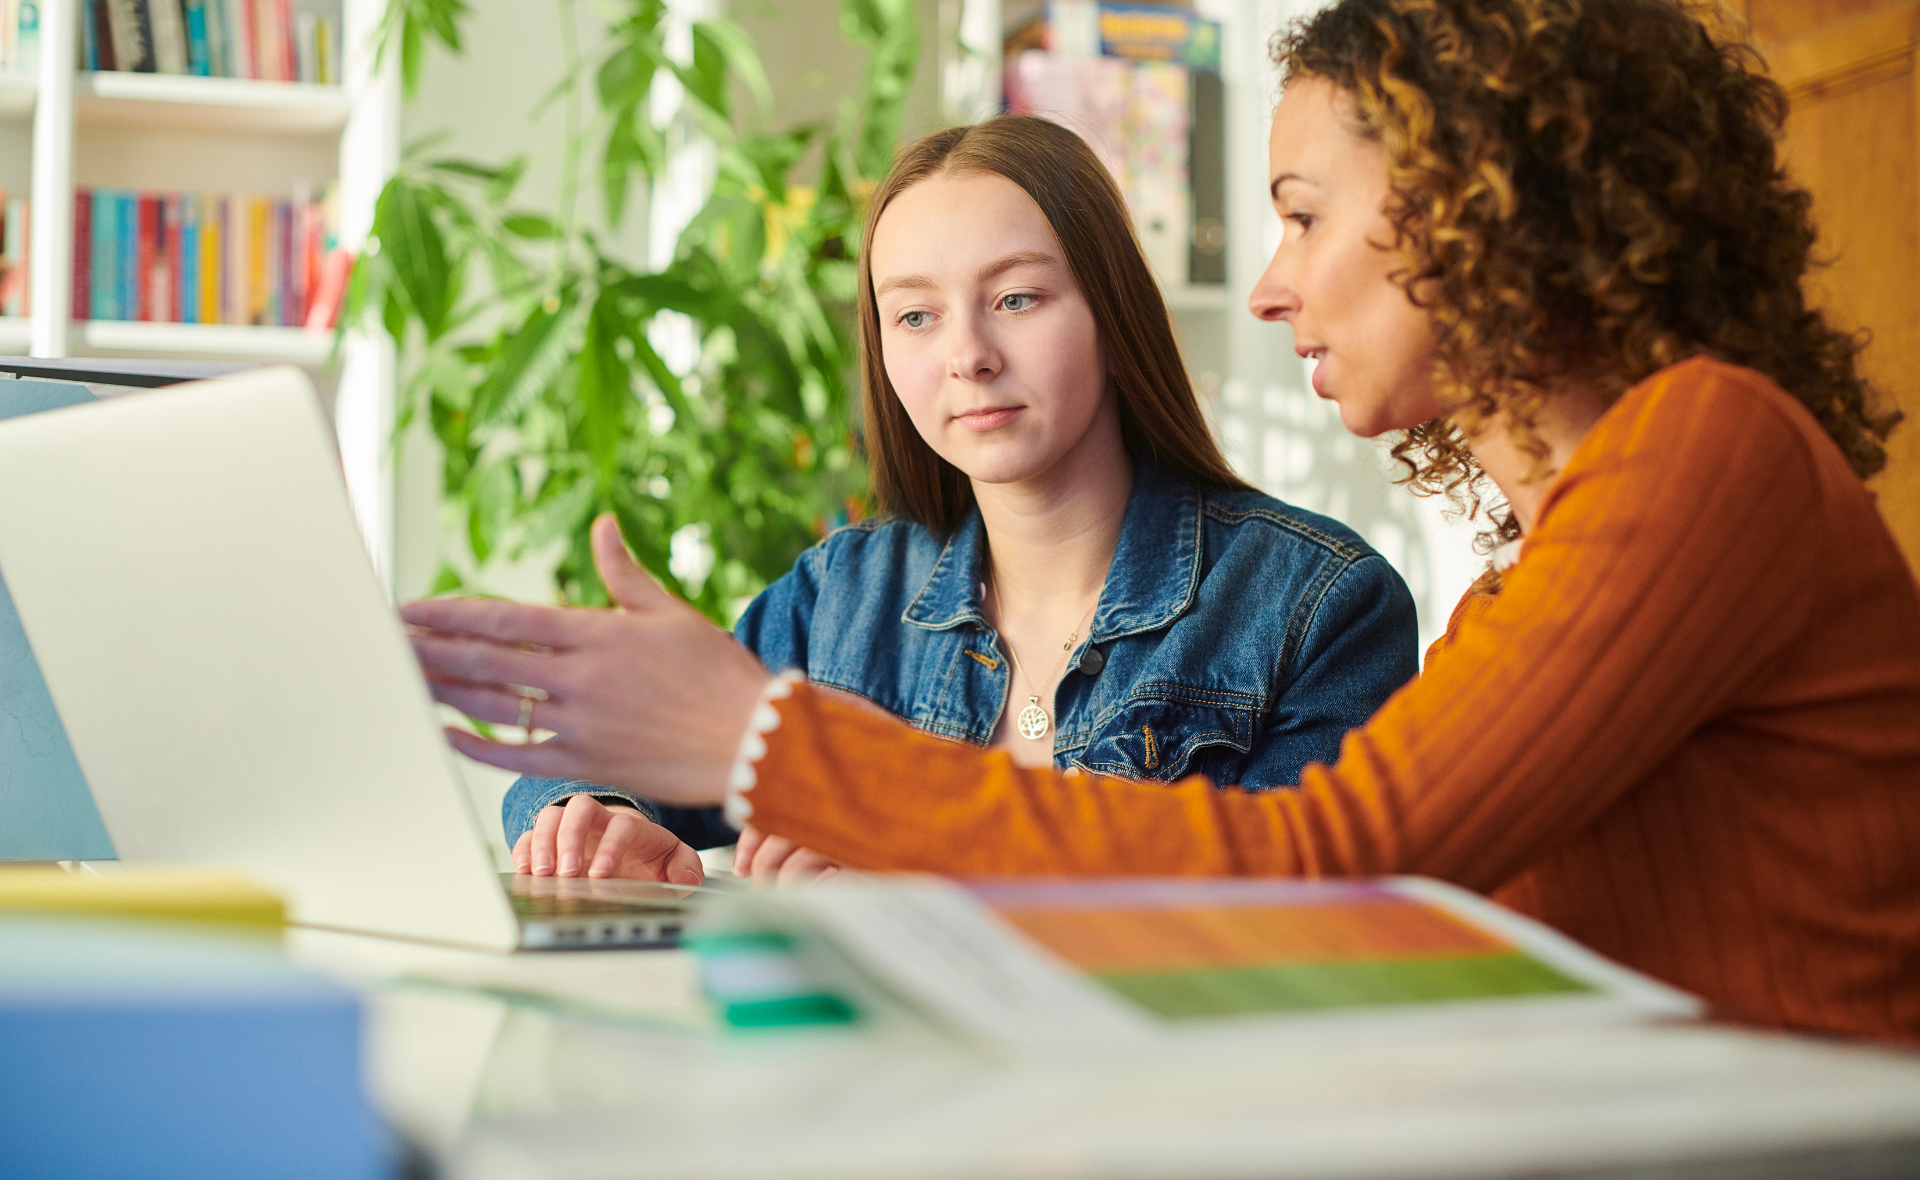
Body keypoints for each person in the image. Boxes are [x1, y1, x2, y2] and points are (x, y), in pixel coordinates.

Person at [404, 0, 1920, 1040]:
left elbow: (1335, 866)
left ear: (1483, 197)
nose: (1268, 284)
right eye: (912, 316)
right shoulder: (1575, 538)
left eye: (1305, 213)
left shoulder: (1704, 453)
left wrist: (768, 747)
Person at [491, 115, 1418, 885]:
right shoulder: (841, 599)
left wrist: (923, 885)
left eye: (1016, 299)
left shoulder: (1315, 604)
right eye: (916, 315)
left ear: (1111, 309)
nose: (966, 354)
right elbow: (600, 757)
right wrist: (600, 817)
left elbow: (1298, 927)